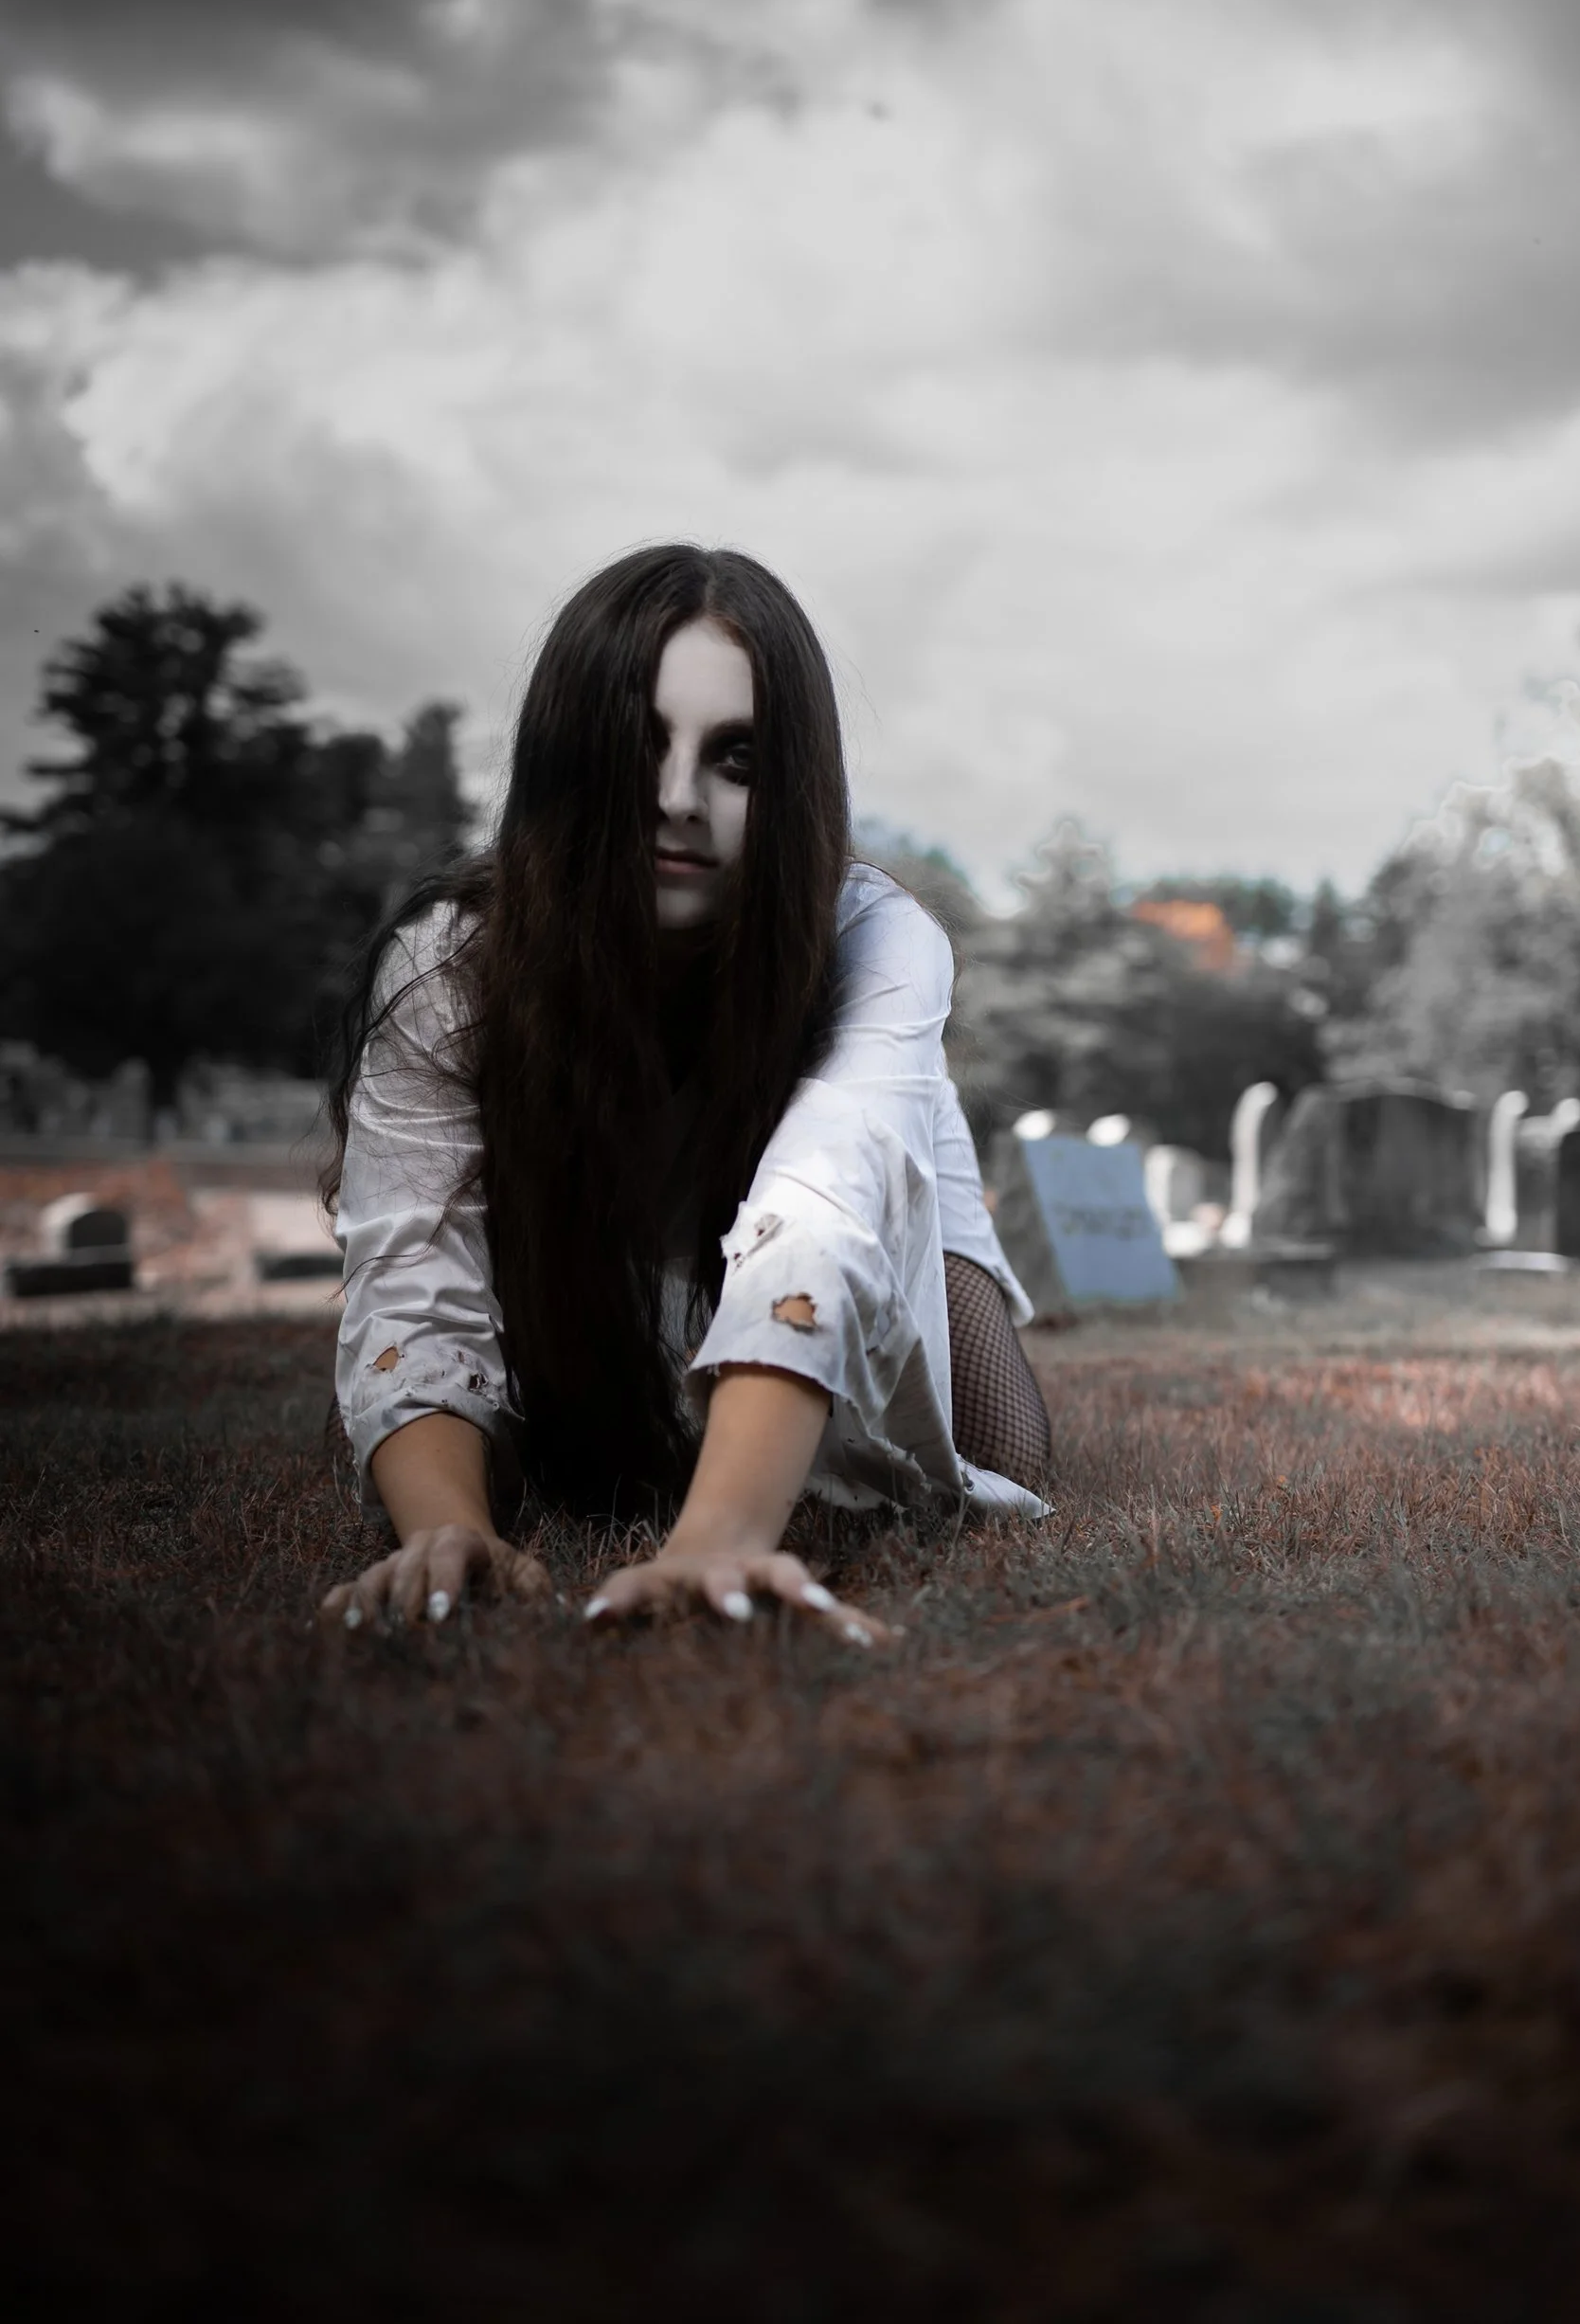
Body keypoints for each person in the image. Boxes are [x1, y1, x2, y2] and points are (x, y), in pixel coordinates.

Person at [320, 545, 1050, 1646]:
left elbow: (826, 1198)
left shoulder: (879, 940)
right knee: (591, 1464)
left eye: (738, 760)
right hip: (604, 1214)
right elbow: (413, 1270)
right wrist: (444, 1524)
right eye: (638, 747)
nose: (675, 800)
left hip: (860, 1142)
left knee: (992, 1449)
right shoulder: (445, 974)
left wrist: (720, 1534)